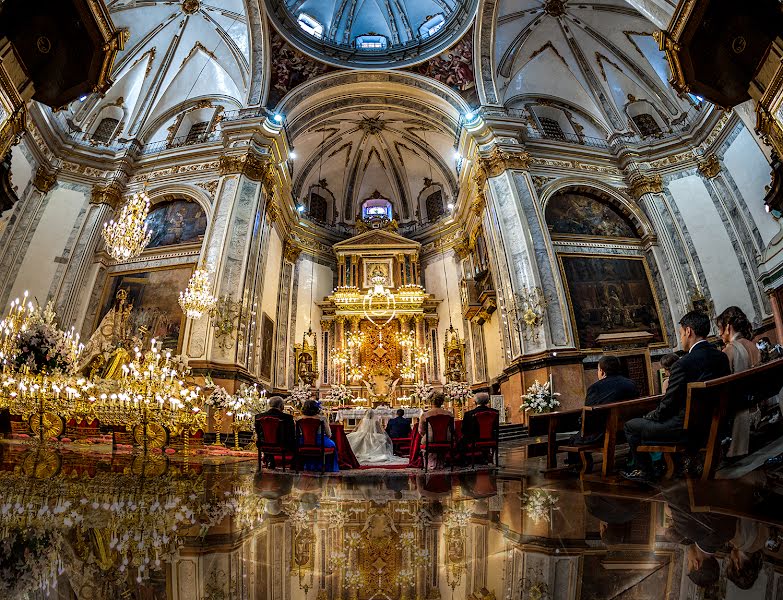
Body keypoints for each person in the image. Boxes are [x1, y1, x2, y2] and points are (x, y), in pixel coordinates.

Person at [622, 311, 730, 483]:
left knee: (631, 426)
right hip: (714, 423)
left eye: (680, 333)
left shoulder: (683, 364)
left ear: (688, 331)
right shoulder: (721, 357)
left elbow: (669, 404)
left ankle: (646, 472)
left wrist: (651, 416)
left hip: (685, 429)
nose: (681, 338)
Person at [565, 356, 638, 467]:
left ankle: (580, 466)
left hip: (604, 432)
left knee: (573, 440)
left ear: (602, 371)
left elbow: (588, 416)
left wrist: (580, 423)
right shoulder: (630, 384)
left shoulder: (595, 388)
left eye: (598, 370)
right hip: (627, 430)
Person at [717, 306, 761, 459]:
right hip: (757, 407)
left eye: (720, 328)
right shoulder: (753, 346)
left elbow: (723, 384)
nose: (719, 333)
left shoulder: (729, 350)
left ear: (728, 327)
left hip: (739, 412)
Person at [297, 400, 339, 472]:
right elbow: (329, 434)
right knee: (333, 445)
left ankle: (307, 466)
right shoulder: (322, 418)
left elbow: (297, 433)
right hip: (320, 441)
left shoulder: (299, 419)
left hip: (303, 441)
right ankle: (328, 468)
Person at [255, 396, 295, 469]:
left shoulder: (259, 416)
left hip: (263, 444)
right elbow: (291, 433)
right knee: (294, 441)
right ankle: (293, 465)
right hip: (282, 444)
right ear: (281, 406)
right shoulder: (287, 417)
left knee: (267, 439)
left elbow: (257, 432)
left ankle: (269, 459)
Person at [460, 393, 499, 464]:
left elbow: (464, 430)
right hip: (491, 438)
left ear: (475, 402)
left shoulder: (469, 414)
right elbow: (496, 427)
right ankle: (487, 457)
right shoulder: (495, 412)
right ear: (487, 401)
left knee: (461, 441)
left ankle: (465, 461)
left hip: (474, 439)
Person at [419, 392, 453, 470]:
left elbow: (421, 431)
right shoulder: (449, 414)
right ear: (442, 402)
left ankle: (430, 463)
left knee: (424, 440)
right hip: (446, 439)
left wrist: (426, 436)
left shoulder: (425, 415)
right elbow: (452, 429)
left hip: (430, 439)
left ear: (431, 402)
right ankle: (441, 461)